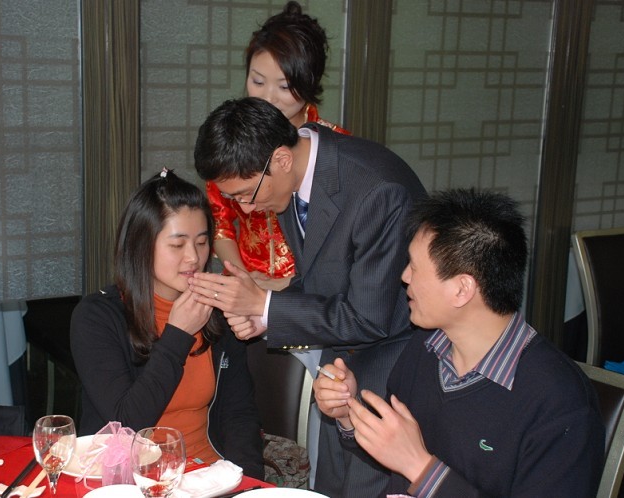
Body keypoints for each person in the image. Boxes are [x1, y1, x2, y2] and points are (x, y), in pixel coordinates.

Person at [190, 96, 428, 497]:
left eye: (246, 194)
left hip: (389, 371)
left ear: (281, 160)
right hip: (338, 369)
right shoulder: (292, 178)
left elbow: (370, 316)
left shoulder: (375, 190)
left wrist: (265, 304)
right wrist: (264, 318)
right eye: (234, 200)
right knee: (328, 487)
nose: (245, 209)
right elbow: (323, 279)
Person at [314, 188, 606, 497]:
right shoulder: (427, 346)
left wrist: (420, 468)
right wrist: (347, 413)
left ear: (462, 289)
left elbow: (410, 461)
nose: (404, 276)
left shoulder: (560, 403)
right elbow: (396, 454)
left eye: (415, 267)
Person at [70, 168, 264, 480]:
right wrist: (177, 335)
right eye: (177, 245)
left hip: (209, 476)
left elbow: (239, 415)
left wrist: (247, 482)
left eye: (202, 242)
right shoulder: (98, 317)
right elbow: (126, 424)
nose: (193, 258)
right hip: (131, 479)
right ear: (141, 244)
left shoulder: (217, 310)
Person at [206, 1, 349, 293]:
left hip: (310, 295)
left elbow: (346, 246)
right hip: (246, 283)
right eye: (257, 81)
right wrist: (245, 281)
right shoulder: (232, 139)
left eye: (284, 87)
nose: (267, 98)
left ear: (310, 82)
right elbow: (220, 222)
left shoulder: (337, 146)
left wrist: (284, 287)